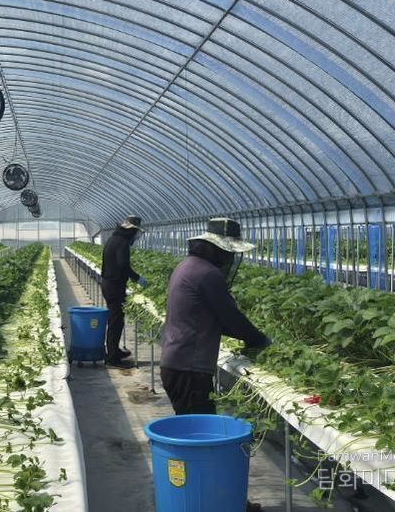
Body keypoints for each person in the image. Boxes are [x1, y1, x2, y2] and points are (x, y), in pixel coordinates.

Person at [160, 217, 270, 512]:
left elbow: (213, 318)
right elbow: (230, 317)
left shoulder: (187, 266)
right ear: (217, 249)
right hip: (189, 369)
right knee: (204, 445)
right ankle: (216, 503)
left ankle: (213, 500)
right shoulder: (208, 274)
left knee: (198, 438)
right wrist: (259, 339)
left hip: (178, 364)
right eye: (229, 252)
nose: (231, 258)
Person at [101, 215, 148, 367]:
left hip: (110, 284)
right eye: (136, 232)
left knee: (117, 320)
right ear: (131, 231)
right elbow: (123, 265)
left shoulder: (114, 239)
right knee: (115, 321)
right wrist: (137, 278)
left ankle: (114, 351)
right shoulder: (122, 242)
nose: (136, 236)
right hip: (114, 286)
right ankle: (112, 357)